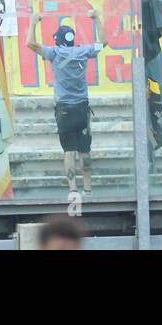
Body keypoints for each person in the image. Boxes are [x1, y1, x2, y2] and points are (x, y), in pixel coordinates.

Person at [26, 18, 103, 196]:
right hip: (82, 108)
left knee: (69, 150)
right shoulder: (83, 51)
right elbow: (104, 43)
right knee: (85, 150)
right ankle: (88, 189)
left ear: (58, 40)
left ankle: (73, 189)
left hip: (64, 110)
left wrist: (33, 22)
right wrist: (96, 18)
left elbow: (30, 43)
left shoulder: (54, 53)